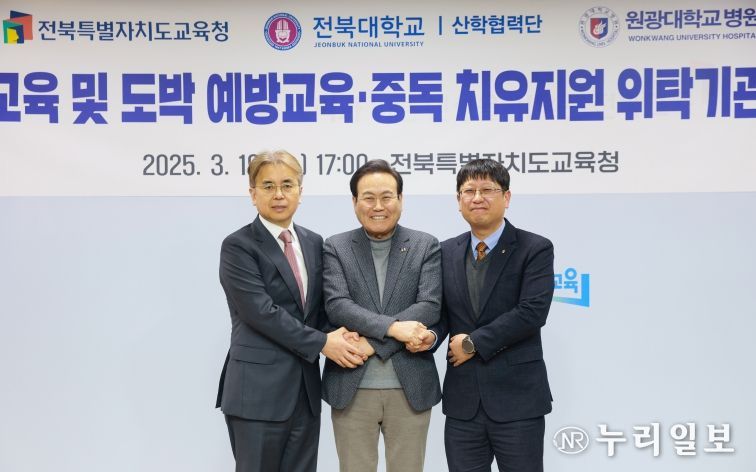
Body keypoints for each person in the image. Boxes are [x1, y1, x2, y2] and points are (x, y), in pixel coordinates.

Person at [215, 150, 367, 472]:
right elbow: (261, 312)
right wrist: (324, 343)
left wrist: (345, 335)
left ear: (300, 190)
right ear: (252, 193)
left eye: (287, 184)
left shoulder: (313, 242)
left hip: (304, 393)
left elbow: (317, 311)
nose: (279, 194)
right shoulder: (238, 245)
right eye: (268, 186)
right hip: (257, 395)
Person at [414, 158, 555, 472]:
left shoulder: (534, 248)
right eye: (469, 191)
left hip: (517, 400)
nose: (477, 198)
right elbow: (442, 312)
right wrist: (431, 336)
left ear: (506, 197)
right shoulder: (445, 251)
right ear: (458, 200)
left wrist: (473, 343)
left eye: (487, 190)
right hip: (463, 403)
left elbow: (532, 312)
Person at [322, 159, 442, 472]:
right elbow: (338, 305)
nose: (378, 206)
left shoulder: (425, 245)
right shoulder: (335, 246)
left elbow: (429, 305)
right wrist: (393, 329)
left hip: (410, 386)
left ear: (400, 199)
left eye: (387, 197)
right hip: (351, 385)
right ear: (354, 201)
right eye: (368, 197)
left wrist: (372, 343)